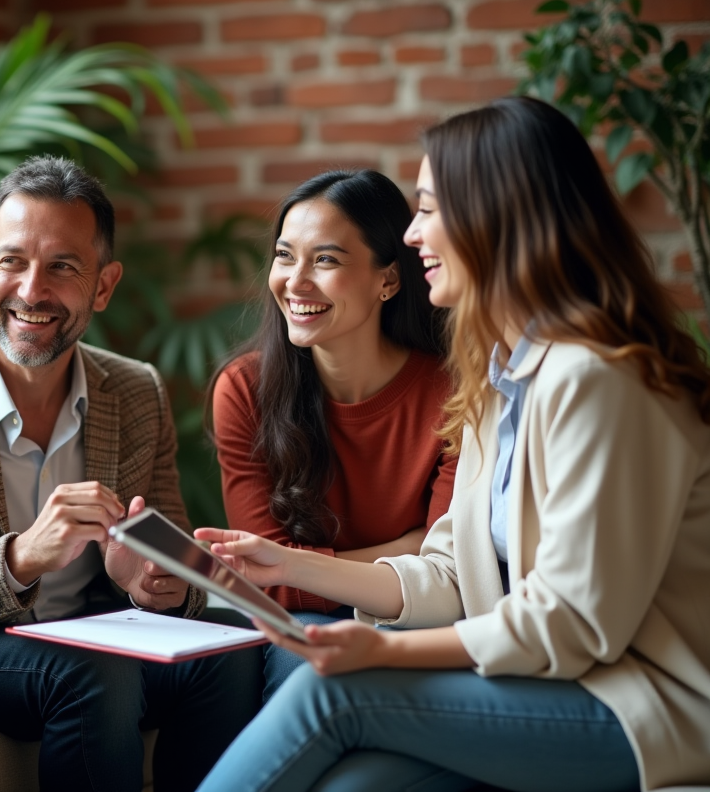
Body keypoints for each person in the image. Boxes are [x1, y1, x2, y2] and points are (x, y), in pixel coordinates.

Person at [193, 95, 710, 791]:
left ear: (499, 219)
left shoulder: (598, 379)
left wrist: (382, 652)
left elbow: (570, 625)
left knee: (330, 693)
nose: (412, 236)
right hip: (545, 683)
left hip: (644, 703)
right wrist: (284, 563)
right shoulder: (500, 378)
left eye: (431, 210)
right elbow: (450, 574)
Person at [0, 155, 262, 792]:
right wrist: (21, 558)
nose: (32, 290)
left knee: (233, 648)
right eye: (12, 261)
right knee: (94, 670)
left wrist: (154, 585)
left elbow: (177, 568)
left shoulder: (136, 390)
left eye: (63, 267)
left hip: (98, 639)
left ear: (104, 286)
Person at [209, 169, 455, 700]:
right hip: (299, 622)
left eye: (325, 260)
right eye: (284, 256)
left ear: (388, 279)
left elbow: (444, 567)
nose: (295, 282)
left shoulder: (454, 393)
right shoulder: (244, 390)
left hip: (417, 617)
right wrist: (402, 550)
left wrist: (301, 564)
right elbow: (263, 576)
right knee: (295, 667)